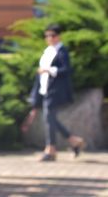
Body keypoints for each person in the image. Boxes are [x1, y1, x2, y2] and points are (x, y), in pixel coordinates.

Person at [30, 24, 85, 161]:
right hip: (45, 88)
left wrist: (49, 70)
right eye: (47, 35)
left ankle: (51, 149)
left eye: (52, 35)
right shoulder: (47, 51)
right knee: (50, 118)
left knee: (49, 118)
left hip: (55, 89)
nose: (49, 38)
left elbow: (66, 69)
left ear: (58, 36)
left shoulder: (62, 51)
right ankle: (74, 141)